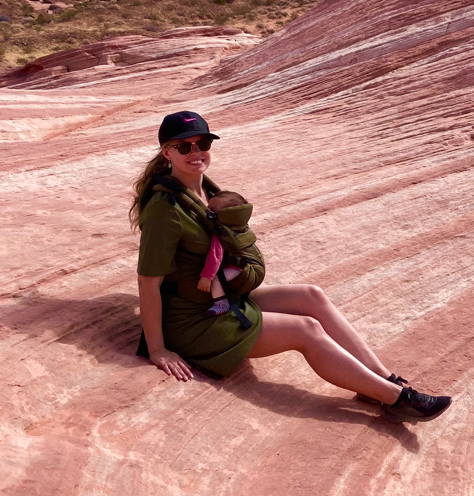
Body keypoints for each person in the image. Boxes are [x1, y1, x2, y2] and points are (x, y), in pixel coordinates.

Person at [131, 111, 450, 423]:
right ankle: (397, 400)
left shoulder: (207, 192)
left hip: (223, 299)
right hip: (194, 321)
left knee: (312, 295)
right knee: (305, 330)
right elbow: (148, 282)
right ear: (167, 152)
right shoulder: (165, 209)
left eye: (203, 143)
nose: (196, 152)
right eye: (184, 146)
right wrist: (157, 349)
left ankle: (382, 380)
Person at [196, 189, 252, 325]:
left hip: (235, 267)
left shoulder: (222, 233)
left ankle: (221, 304)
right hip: (242, 265)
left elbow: (215, 256)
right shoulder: (238, 226)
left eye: (213, 210)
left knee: (217, 279)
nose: (207, 211)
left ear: (227, 214)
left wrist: (207, 277)